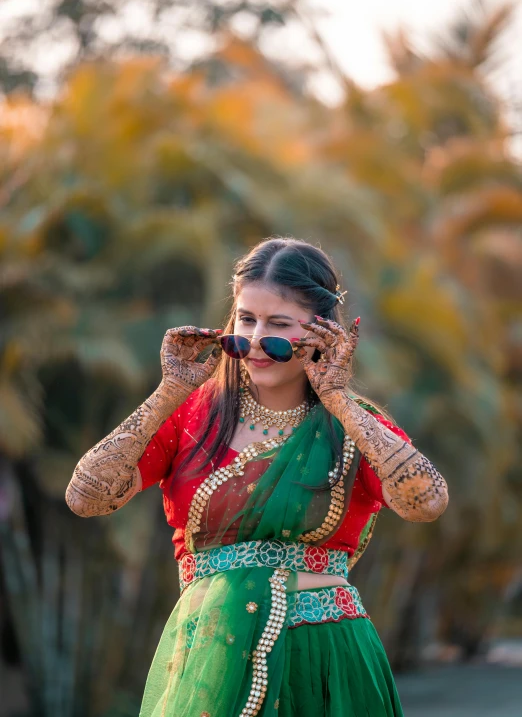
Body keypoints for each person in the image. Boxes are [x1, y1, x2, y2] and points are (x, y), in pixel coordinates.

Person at [66, 237, 449, 717]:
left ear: (322, 333)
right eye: (246, 319)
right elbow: (85, 498)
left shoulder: (352, 426)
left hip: (325, 660)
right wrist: (168, 392)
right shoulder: (192, 414)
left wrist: (338, 399)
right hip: (212, 661)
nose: (253, 341)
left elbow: (427, 502)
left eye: (279, 325)